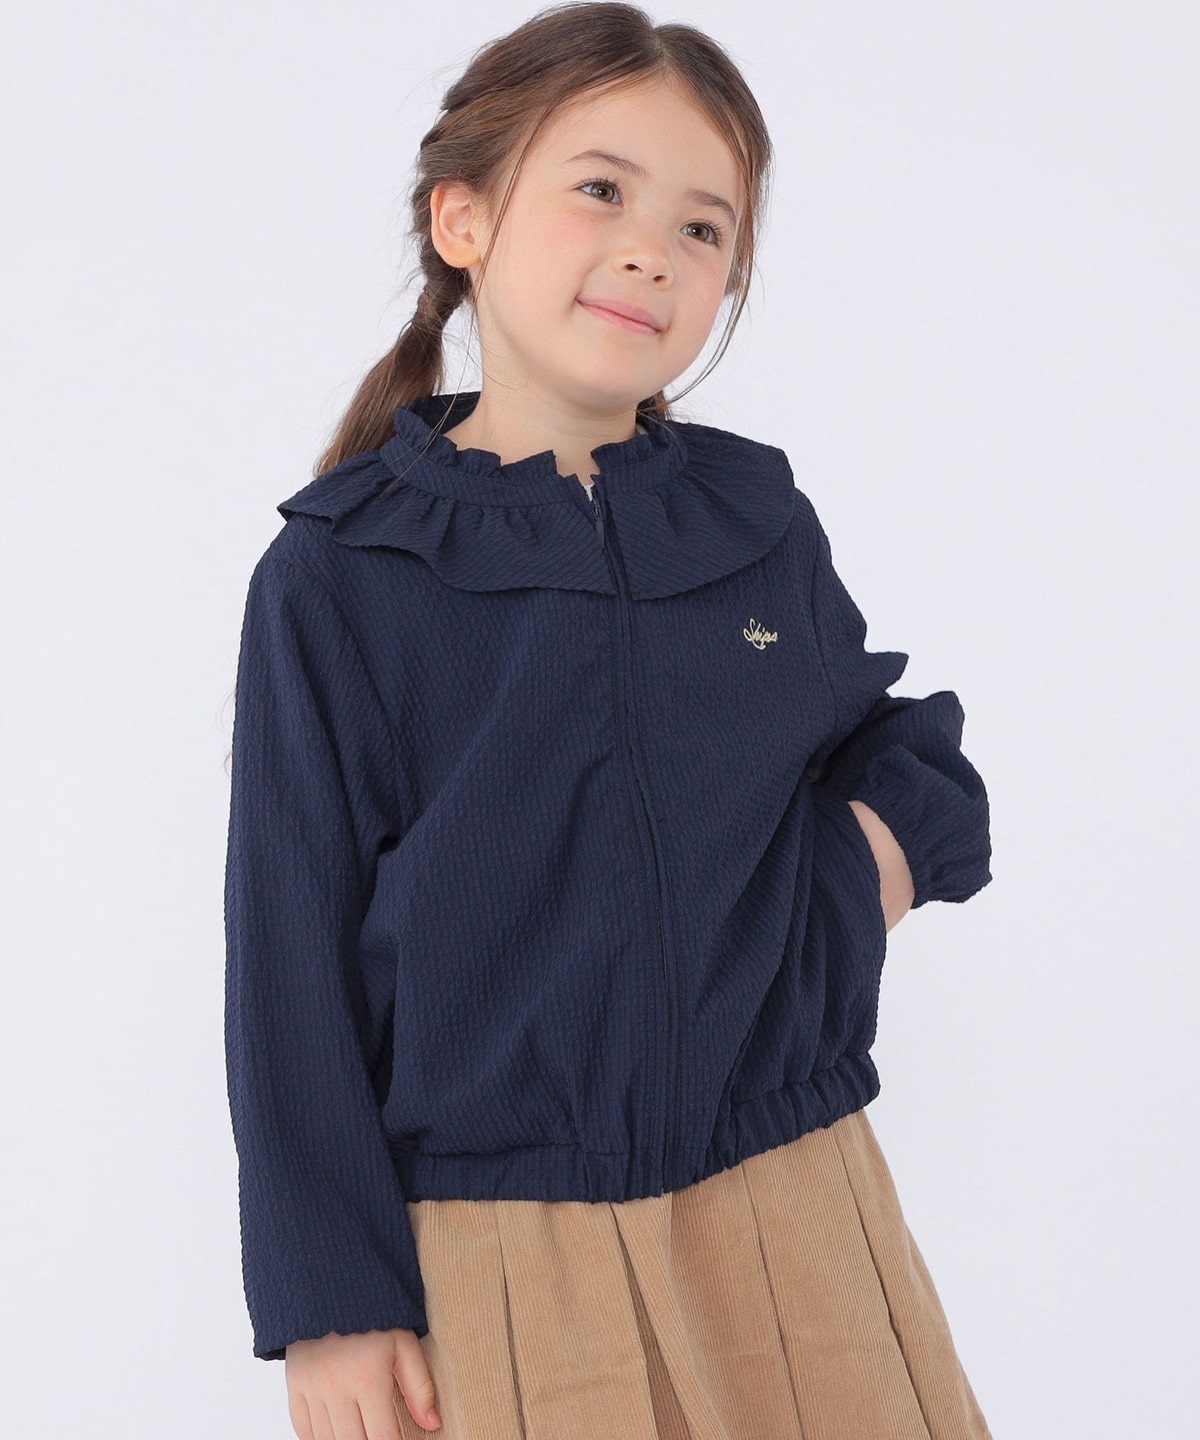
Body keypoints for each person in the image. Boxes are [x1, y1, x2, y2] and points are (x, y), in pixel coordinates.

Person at [222, 4, 995, 1436]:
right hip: (510, 1252)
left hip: (799, 1206)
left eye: (704, 229)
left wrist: (862, 872)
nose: (654, 251)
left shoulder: (754, 525)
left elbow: (896, 748)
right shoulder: (342, 575)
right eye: (600, 190)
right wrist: (332, 1303)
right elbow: (288, 963)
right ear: (464, 218)